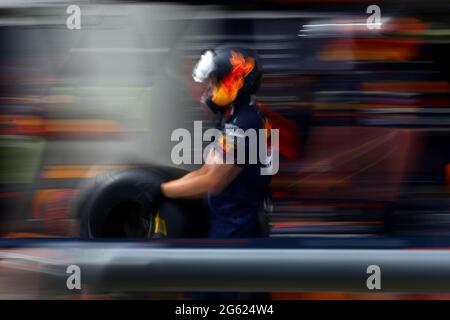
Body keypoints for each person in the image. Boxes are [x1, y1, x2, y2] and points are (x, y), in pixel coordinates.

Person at [159, 46, 272, 238]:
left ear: (235, 81)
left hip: (237, 234)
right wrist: (165, 186)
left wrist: (160, 191)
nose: (209, 88)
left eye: (214, 81)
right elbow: (206, 170)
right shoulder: (232, 116)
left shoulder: (244, 123)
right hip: (226, 225)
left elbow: (213, 181)